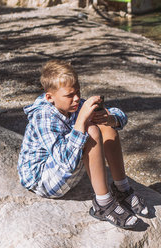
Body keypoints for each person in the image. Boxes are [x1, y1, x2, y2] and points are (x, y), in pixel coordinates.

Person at [17, 60, 148, 229]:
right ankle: (103, 204)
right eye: (69, 95)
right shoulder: (43, 116)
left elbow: (121, 117)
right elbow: (66, 163)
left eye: (78, 92)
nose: (77, 98)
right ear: (50, 97)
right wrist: (81, 121)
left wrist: (109, 118)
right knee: (91, 130)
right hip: (41, 179)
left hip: (60, 166)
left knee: (103, 124)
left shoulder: (72, 104)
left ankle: (121, 189)